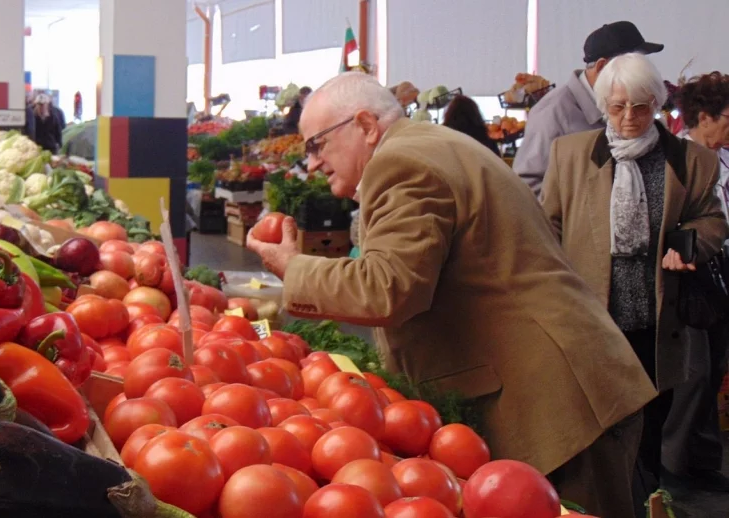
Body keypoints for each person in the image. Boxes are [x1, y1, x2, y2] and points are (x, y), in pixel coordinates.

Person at [247, 71, 658, 518]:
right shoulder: (426, 144)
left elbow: (389, 288)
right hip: (561, 383)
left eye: (317, 144)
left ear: (365, 126)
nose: (312, 163)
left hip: (559, 399)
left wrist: (294, 269)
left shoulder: (400, 163)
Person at [541, 54, 729, 508]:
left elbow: (713, 220)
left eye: (641, 107)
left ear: (659, 106)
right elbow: (548, 227)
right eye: (618, 106)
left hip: (659, 322)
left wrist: (688, 246)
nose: (629, 118)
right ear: (604, 103)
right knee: (600, 424)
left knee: (651, 421)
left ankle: (644, 501)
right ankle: (611, 501)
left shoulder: (693, 160)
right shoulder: (571, 155)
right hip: (593, 321)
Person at [661, 72, 729, 496]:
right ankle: (672, 464)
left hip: (721, 268)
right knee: (693, 370)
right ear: (703, 117)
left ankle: (701, 460)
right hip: (689, 273)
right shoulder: (679, 158)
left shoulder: (722, 157)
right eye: (726, 118)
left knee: (715, 366)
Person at [515, 21, 663, 197]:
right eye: (631, 65)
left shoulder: (628, 106)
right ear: (602, 67)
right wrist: (575, 217)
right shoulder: (553, 112)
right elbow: (526, 187)